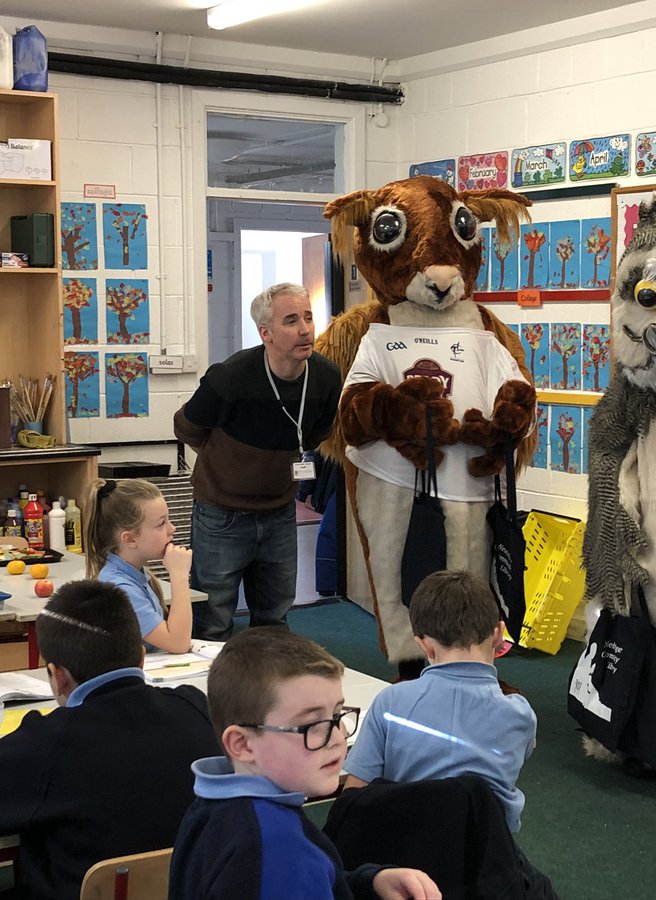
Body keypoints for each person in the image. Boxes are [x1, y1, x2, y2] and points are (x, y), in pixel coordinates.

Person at [0, 580, 220, 900]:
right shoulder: (195, 706)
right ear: (142, 658)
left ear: (57, 676)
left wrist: (30, 732)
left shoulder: (51, 742)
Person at [168, 627, 439, 900]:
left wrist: (368, 884)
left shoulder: (214, 806)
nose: (337, 737)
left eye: (336, 715)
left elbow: (310, 879)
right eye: (313, 724)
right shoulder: (276, 848)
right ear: (242, 744)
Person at [344, 570, 555, 899]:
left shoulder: (390, 702)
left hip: (405, 856)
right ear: (499, 634)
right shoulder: (521, 714)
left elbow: (354, 798)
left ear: (423, 645)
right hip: (488, 859)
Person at [174, 282, 341, 641]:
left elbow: (316, 435)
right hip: (221, 513)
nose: (305, 329)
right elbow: (187, 427)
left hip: (281, 512)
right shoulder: (230, 376)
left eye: (308, 318)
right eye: (291, 320)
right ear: (266, 333)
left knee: (274, 618)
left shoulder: (326, 377)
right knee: (213, 620)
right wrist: (232, 462)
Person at [83, 477, 194, 653]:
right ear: (130, 539)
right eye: (161, 523)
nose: (172, 529)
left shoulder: (134, 574)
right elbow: (178, 643)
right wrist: (179, 575)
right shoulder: (120, 589)